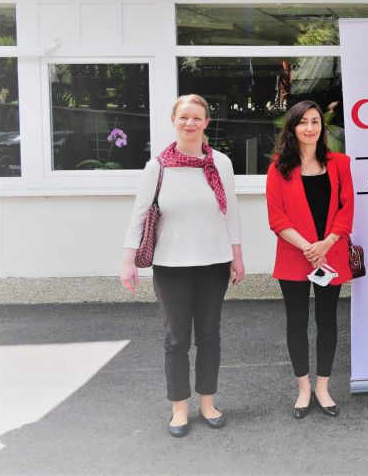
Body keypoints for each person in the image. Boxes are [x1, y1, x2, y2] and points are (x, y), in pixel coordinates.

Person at [120, 94, 244, 438]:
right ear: (173, 121)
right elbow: (139, 214)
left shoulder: (220, 163)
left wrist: (237, 255)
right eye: (184, 117)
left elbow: (231, 212)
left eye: (197, 117)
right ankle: (179, 408)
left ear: (206, 123)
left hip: (214, 262)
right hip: (171, 266)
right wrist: (128, 261)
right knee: (176, 339)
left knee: (209, 336)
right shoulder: (158, 167)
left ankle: (207, 402)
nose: (190, 123)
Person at [266, 100, 354, 419]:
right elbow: (277, 218)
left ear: (322, 127)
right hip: (295, 256)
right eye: (303, 122)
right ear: (292, 128)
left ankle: (322, 388)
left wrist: (326, 244)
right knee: (297, 322)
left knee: (327, 320)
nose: (310, 127)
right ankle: (303, 389)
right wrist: (309, 248)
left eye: (315, 121)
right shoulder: (279, 168)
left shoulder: (340, 164)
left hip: (331, 255)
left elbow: (347, 209)